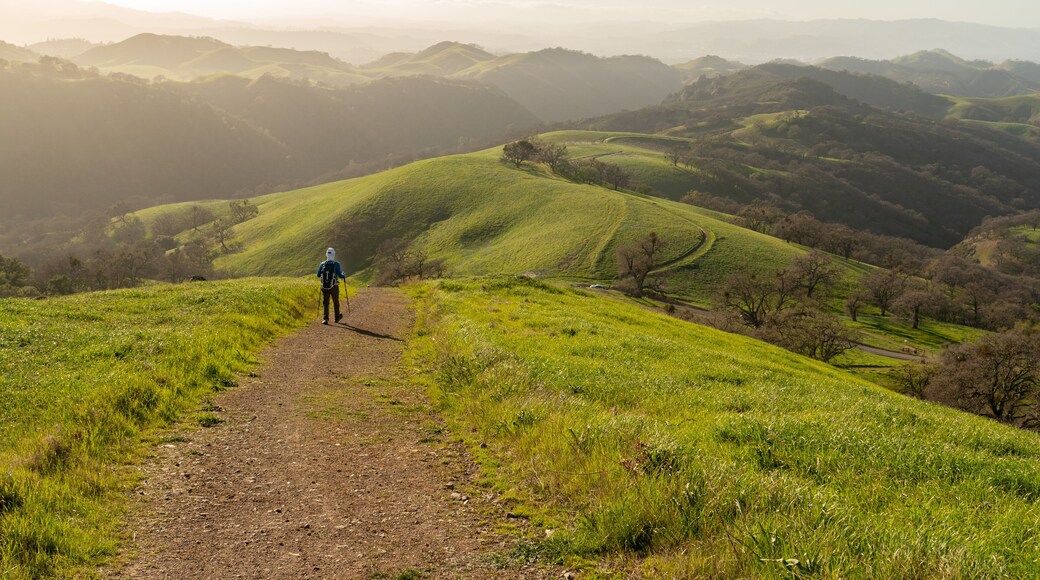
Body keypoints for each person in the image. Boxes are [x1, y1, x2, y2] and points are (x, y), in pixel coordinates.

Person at [317, 247, 346, 324]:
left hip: (324, 286)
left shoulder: (322, 264)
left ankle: (325, 318)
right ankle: (337, 317)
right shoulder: (336, 264)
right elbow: (340, 275)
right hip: (334, 286)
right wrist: (344, 275)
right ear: (334, 255)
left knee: (325, 302)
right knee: (335, 301)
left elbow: (318, 275)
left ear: (326, 254)